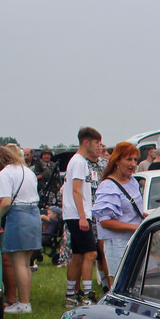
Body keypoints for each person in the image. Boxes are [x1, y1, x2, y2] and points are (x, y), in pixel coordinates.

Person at [0, 145, 39, 314]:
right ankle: (26, 300)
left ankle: (24, 304)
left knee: (18, 263)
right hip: (34, 214)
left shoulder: (5, 174)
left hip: (18, 215)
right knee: (26, 262)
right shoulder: (28, 171)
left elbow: (6, 202)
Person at [63, 126, 102, 306]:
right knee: (91, 253)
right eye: (96, 143)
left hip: (74, 214)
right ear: (86, 142)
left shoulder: (78, 161)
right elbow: (76, 190)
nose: (97, 147)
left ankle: (71, 294)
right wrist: (82, 217)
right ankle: (87, 294)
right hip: (78, 215)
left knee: (78, 256)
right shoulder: (79, 162)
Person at [91, 142, 145, 272]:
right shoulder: (108, 186)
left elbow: (134, 212)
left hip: (136, 239)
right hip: (119, 244)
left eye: (135, 160)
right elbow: (105, 222)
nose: (133, 164)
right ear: (117, 161)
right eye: (129, 159)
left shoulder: (132, 181)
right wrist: (136, 227)